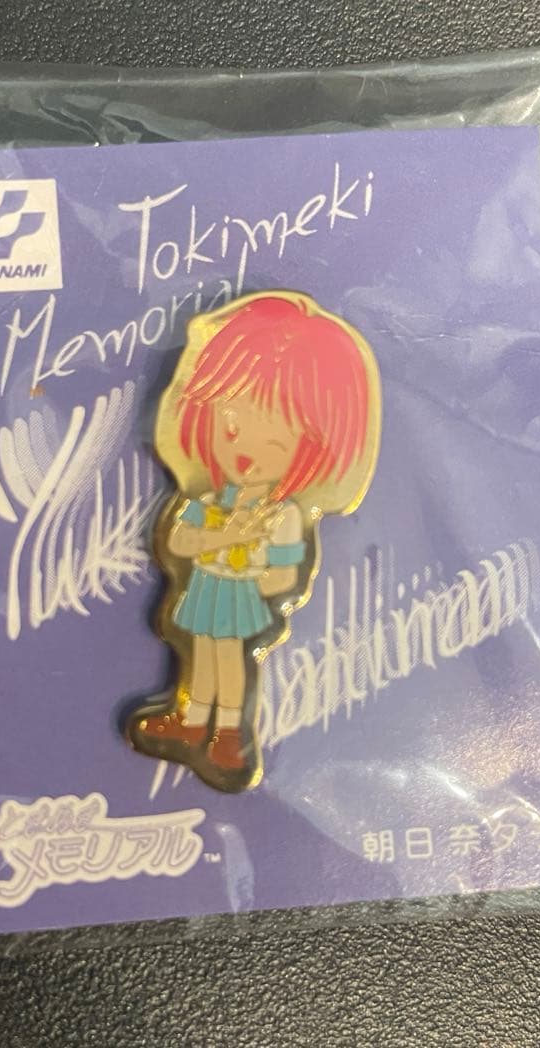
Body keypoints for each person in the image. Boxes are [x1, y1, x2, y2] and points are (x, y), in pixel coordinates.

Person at [129, 292, 378, 790]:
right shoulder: (208, 499)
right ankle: (190, 719)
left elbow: (282, 574)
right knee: (202, 654)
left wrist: (261, 577)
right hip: (206, 589)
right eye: (232, 426)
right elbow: (179, 542)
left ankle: (226, 733)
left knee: (228, 659)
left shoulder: (282, 516)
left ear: (310, 449)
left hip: (239, 596)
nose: (245, 449)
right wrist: (222, 535)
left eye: (276, 441)